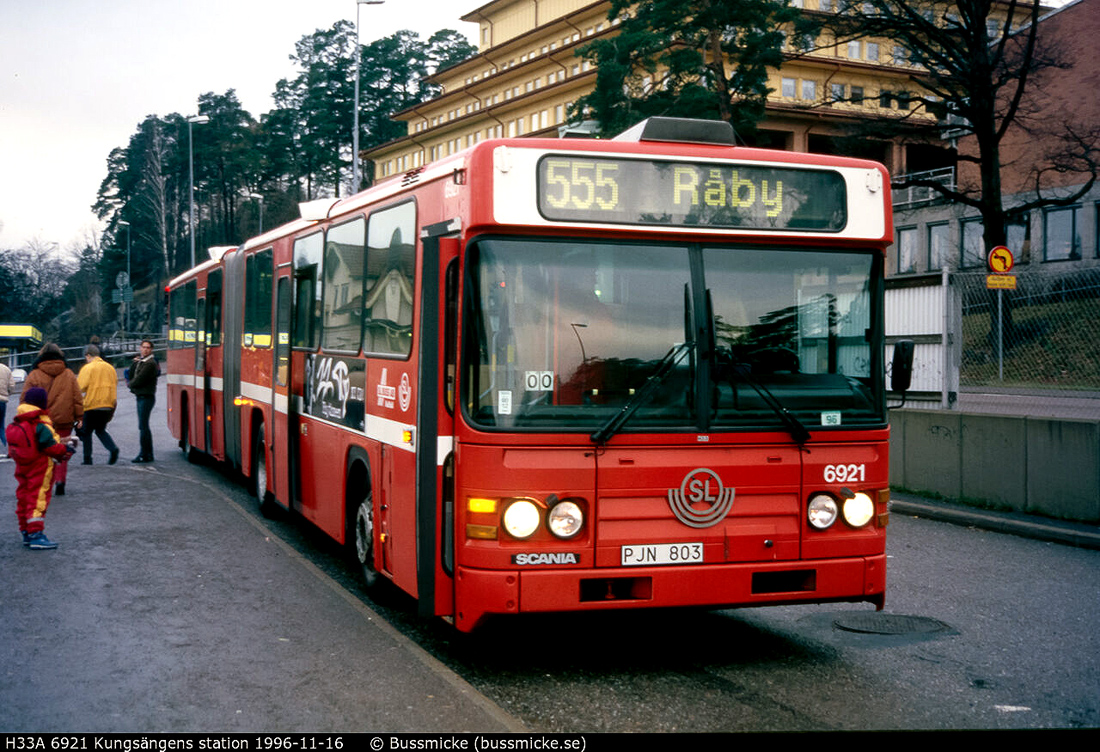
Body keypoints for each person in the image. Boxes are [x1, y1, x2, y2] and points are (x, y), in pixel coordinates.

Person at [7, 387, 75, 549]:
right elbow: (51, 447)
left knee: (23, 497)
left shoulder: (20, 420)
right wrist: (67, 450)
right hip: (40, 467)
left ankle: (26, 531)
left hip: (23, 466)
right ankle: (36, 534)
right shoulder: (41, 423)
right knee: (37, 499)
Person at [22, 343, 83, 495]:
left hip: (42, 421)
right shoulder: (69, 374)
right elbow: (77, 398)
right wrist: (79, 417)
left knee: (43, 451)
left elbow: (24, 399)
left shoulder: (34, 375)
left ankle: (46, 481)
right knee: (62, 450)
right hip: (64, 420)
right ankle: (60, 480)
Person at [77, 344, 120, 465]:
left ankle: (87, 459)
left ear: (88, 355)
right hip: (108, 405)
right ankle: (113, 448)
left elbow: (80, 387)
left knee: (86, 432)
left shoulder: (88, 368)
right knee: (100, 430)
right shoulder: (110, 368)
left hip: (92, 405)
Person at [129, 340, 158, 463]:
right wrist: (134, 363)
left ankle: (144, 454)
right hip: (141, 396)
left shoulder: (150, 363)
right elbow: (132, 374)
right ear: (140, 348)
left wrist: (130, 385)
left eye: (148, 348)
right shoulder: (142, 362)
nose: (145, 350)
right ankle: (148, 453)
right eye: (143, 347)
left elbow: (139, 379)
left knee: (143, 426)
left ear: (151, 349)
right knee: (144, 426)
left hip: (146, 397)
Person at [0, 360, 14, 458]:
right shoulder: (6, 369)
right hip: (2, 401)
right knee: (1, 426)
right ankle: (8, 447)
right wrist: (6, 394)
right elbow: (12, 386)